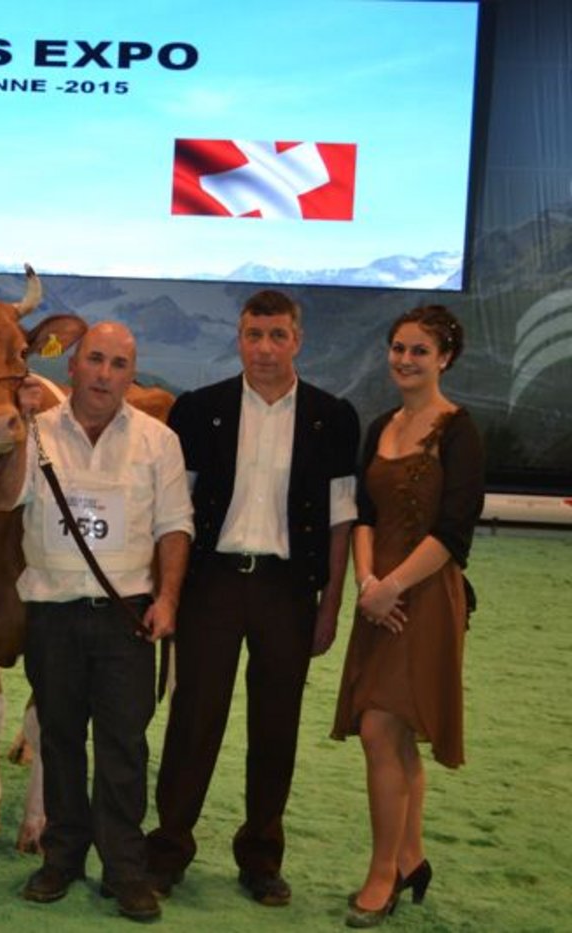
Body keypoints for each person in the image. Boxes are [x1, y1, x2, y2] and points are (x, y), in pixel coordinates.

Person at [146, 289, 360, 906]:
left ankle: (261, 858)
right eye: (252, 335)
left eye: (276, 336)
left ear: (297, 340)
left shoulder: (332, 416)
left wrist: (330, 604)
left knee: (276, 726)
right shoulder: (198, 410)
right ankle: (168, 849)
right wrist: (171, 591)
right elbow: (175, 514)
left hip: (288, 591)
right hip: (211, 586)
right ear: (238, 339)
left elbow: (343, 520)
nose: (263, 349)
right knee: (193, 721)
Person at [0, 322, 193, 922]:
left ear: (133, 374)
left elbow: (175, 527)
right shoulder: (39, 432)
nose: (104, 374)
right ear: (71, 368)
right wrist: (21, 432)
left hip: (126, 617)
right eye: (94, 360)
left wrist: (170, 601)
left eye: (118, 364)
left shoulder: (158, 442)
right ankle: (62, 858)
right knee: (59, 739)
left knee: (124, 747)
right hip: (52, 613)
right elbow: (3, 499)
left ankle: (125, 869)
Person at [331, 306, 483, 927]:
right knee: (390, 731)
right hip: (378, 597)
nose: (405, 360)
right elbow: (364, 514)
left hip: (422, 596)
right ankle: (412, 856)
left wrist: (392, 585)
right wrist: (368, 583)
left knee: (379, 729)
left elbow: (454, 532)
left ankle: (382, 874)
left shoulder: (459, 430)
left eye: (419, 351)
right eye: (398, 348)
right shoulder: (381, 426)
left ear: (444, 358)